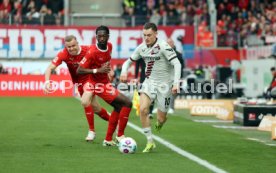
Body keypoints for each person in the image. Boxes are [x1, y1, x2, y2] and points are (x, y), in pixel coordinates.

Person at [120, 22, 181, 153]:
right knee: (142, 109)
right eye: (144, 35)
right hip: (149, 82)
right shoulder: (142, 48)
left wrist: (176, 83)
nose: (146, 38)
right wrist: (124, 71)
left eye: (149, 35)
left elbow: (177, 63)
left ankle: (161, 121)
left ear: (156, 34)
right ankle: (150, 141)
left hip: (165, 85)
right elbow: (128, 61)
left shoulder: (164, 46)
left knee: (160, 118)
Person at [43, 35, 110, 142]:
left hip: (91, 79)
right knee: (96, 108)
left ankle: (91, 131)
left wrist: (108, 70)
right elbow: (49, 68)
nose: (71, 48)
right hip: (79, 83)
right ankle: (115, 121)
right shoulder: (63, 54)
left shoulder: (88, 49)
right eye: (69, 47)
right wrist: (47, 82)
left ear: (78, 43)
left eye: (73, 45)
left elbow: (103, 57)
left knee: (84, 102)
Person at [77, 25, 132, 146]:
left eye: (104, 36)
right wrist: (98, 70)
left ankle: (108, 139)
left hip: (105, 82)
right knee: (127, 103)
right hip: (97, 84)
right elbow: (79, 70)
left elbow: (106, 61)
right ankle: (120, 135)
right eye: (99, 36)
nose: (101, 38)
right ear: (96, 37)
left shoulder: (110, 46)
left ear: (108, 37)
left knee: (118, 107)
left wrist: (109, 70)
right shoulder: (92, 52)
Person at [166, 38, 184, 114]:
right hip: (166, 75)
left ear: (173, 44)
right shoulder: (163, 54)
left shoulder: (178, 55)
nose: (169, 44)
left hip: (175, 76)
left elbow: (182, 66)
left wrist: (180, 77)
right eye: (167, 42)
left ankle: (171, 108)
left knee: (173, 92)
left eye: (170, 42)